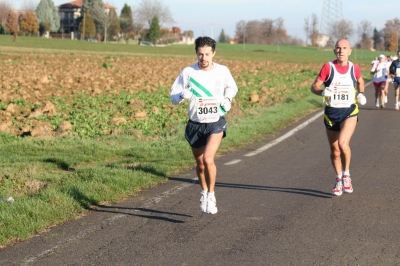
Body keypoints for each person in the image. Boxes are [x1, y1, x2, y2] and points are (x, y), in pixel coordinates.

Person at [170, 36, 238, 214]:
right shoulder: (188, 73)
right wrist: (181, 96)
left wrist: (227, 99)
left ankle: (212, 195)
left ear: (213, 53)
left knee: (208, 159)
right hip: (195, 124)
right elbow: (173, 97)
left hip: (215, 122)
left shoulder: (222, 71)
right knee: (200, 164)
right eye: (200, 54)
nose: (204, 58)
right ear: (196, 53)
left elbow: (232, 87)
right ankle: (204, 192)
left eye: (207, 54)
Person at [311, 39, 366, 196]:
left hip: (349, 111)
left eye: (344, 48)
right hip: (331, 113)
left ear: (350, 51)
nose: (341, 51)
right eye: (338, 48)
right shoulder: (329, 67)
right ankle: (338, 178)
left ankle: (347, 175)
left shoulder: (354, 68)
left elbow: (361, 81)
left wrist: (361, 94)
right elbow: (314, 86)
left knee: (343, 144)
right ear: (334, 51)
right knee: (335, 151)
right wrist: (322, 92)